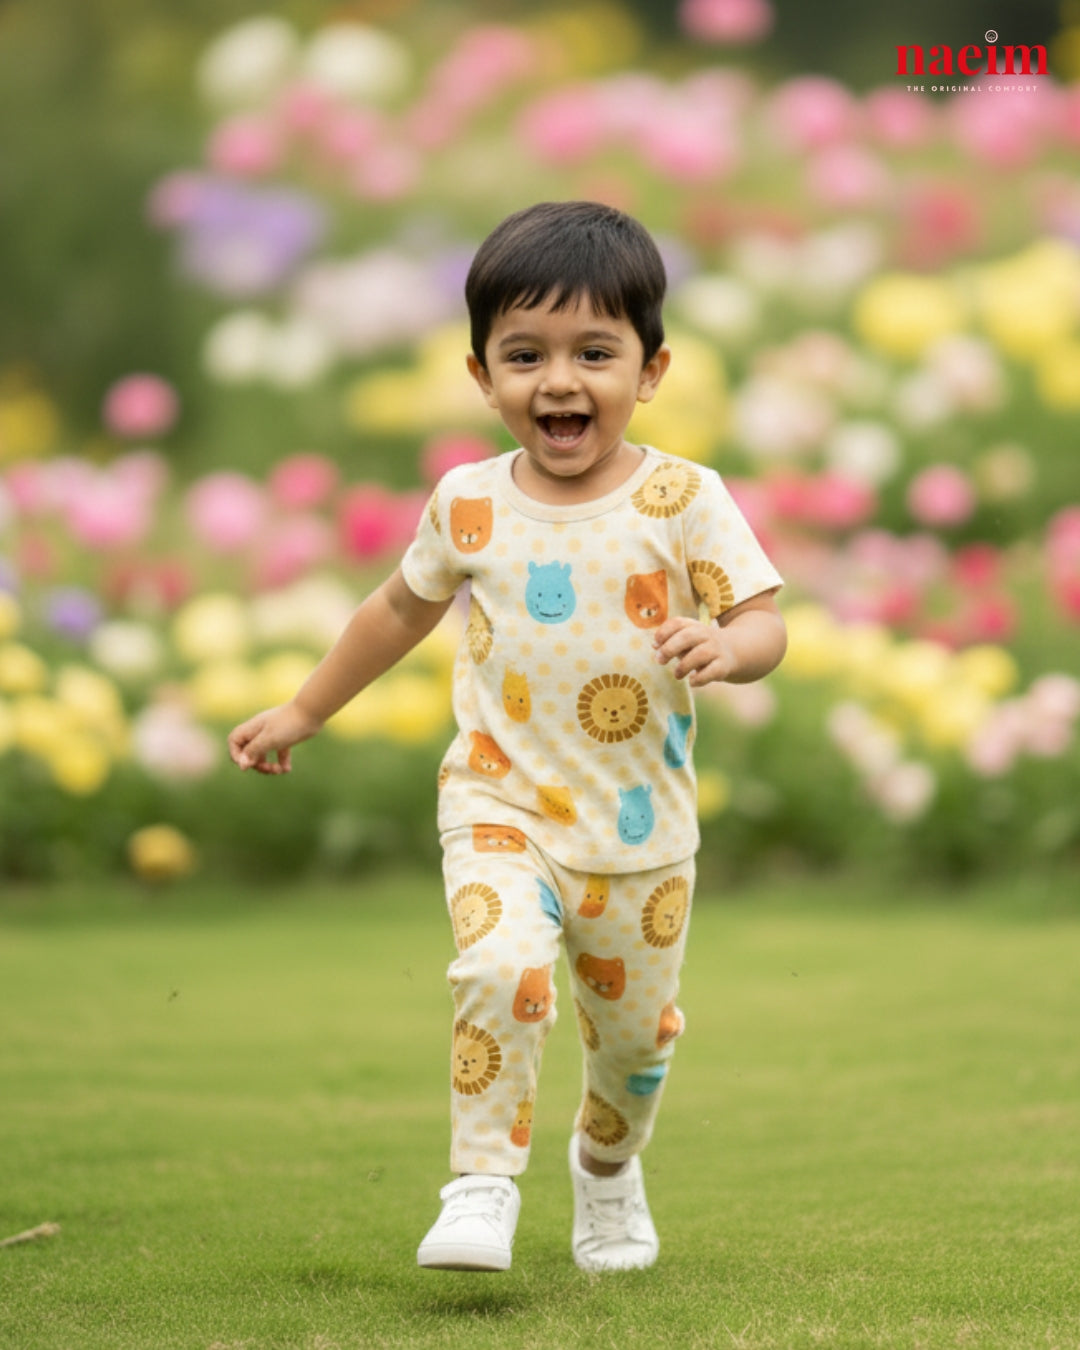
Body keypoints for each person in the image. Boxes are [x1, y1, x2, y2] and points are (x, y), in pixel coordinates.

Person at [227, 200, 786, 1274]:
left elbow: (764, 618)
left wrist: (731, 645)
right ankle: (480, 1184)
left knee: (634, 1051)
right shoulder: (468, 503)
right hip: (500, 802)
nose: (559, 382)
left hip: (641, 837)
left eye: (594, 354)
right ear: (482, 374)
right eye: (524, 355)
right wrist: (304, 709)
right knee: (501, 968)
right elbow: (396, 611)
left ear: (651, 369)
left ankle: (608, 1171)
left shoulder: (683, 498)